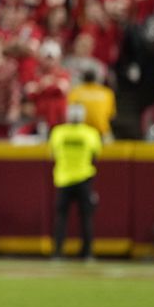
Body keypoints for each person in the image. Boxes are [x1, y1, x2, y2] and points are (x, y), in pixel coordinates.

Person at [49, 104, 102, 260]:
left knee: (61, 217)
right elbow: (95, 156)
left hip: (64, 179)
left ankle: (58, 252)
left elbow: (53, 154)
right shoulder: (90, 133)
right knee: (86, 217)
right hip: (83, 178)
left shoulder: (58, 132)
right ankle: (87, 252)